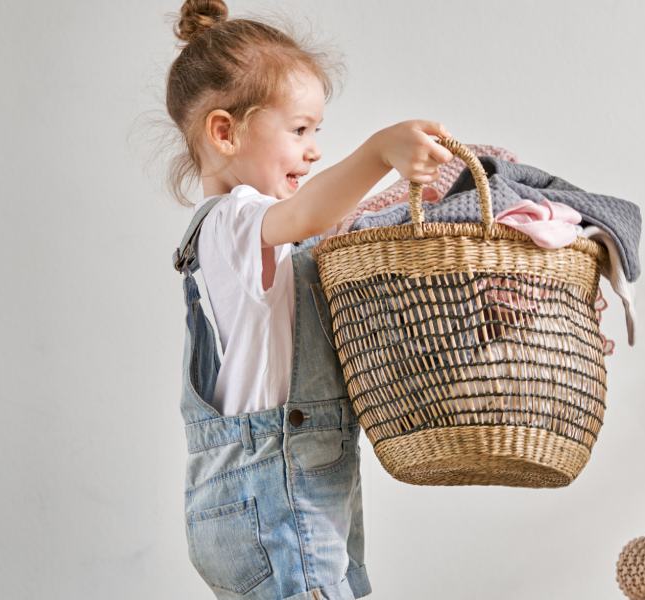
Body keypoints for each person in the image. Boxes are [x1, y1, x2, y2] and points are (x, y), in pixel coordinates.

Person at [162, 1, 451, 597]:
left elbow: (315, 226)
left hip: (292, 492)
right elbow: (306, 212)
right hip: (278, 495)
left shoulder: (252, 234)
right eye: (299, 130)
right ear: (225, 131)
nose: (314, 149)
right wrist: (377, 152)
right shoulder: (235, 221)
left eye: (316, 131)